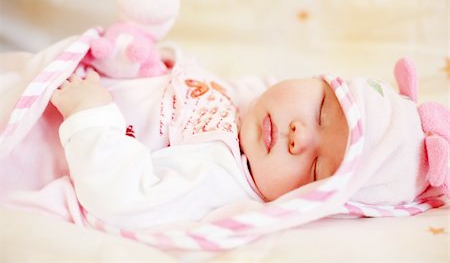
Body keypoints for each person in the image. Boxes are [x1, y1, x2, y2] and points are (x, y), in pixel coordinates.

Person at [50, 55, 448, 229]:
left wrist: (90, 117)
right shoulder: (249, 105)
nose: (300, 136)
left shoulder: (220, 177)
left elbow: (127, 197)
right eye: (323, 110)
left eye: (316, 169)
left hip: (48, 131)